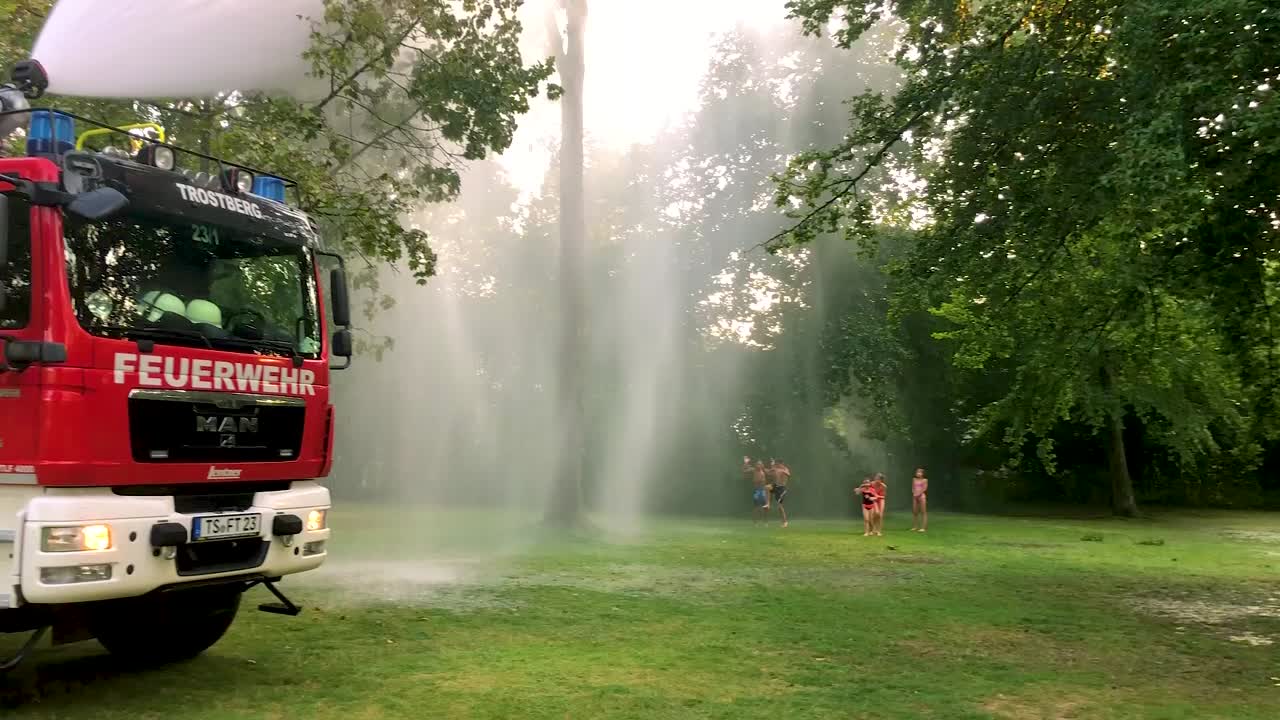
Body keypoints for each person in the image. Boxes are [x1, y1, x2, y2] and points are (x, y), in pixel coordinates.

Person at [770, 459, 791, 528]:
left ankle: (785, 522)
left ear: (782, 464)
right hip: (777, 487)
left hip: (782, 489)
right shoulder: (777, 469)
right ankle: (767, 503)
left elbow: (789, 474)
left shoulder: (785, 469)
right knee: (767, 488)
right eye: (777, 464)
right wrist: (772, 465)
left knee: (780, 506)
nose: (778, 465)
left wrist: (783, 471)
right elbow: (770, 472)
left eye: (778, 464)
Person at [747, 457, 768, 524]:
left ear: (762, 465)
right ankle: (755, 522)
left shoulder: (763, 471)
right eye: (758, 464)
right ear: (756, 465)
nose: (759, 465)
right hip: (757, 491)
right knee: (756, 506)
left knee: (764, 506)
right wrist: (746, 465)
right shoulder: (754, 470)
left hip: (763, 490)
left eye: (760, 464)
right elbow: (746, 470)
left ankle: (764, 521)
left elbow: (770, 472)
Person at [911, 467, 929, 532]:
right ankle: (915, 527)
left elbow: (924, 488)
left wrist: (919, 494)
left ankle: (923, 527)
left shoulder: (925, 480)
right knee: (915, 512)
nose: (918, 473)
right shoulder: (914, 479)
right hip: (915, 496)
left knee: (923, 512)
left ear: (922, 474)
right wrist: (914, 493)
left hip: (921, 496)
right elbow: (913, 487)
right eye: (917, 472)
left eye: (920, 472)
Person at [872, 472, 888, 536]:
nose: (877, 480)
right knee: (876, 513)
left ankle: (879, 531)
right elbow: (865, 486)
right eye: (876, 478)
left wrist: (877, 496)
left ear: (881, 480)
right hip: (875, 500)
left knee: (880, 515)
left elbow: (883, 496)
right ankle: (873, 528)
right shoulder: (872, 484)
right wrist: (859, 489)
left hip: (881, 499)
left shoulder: (884, 486)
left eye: (878, 479)